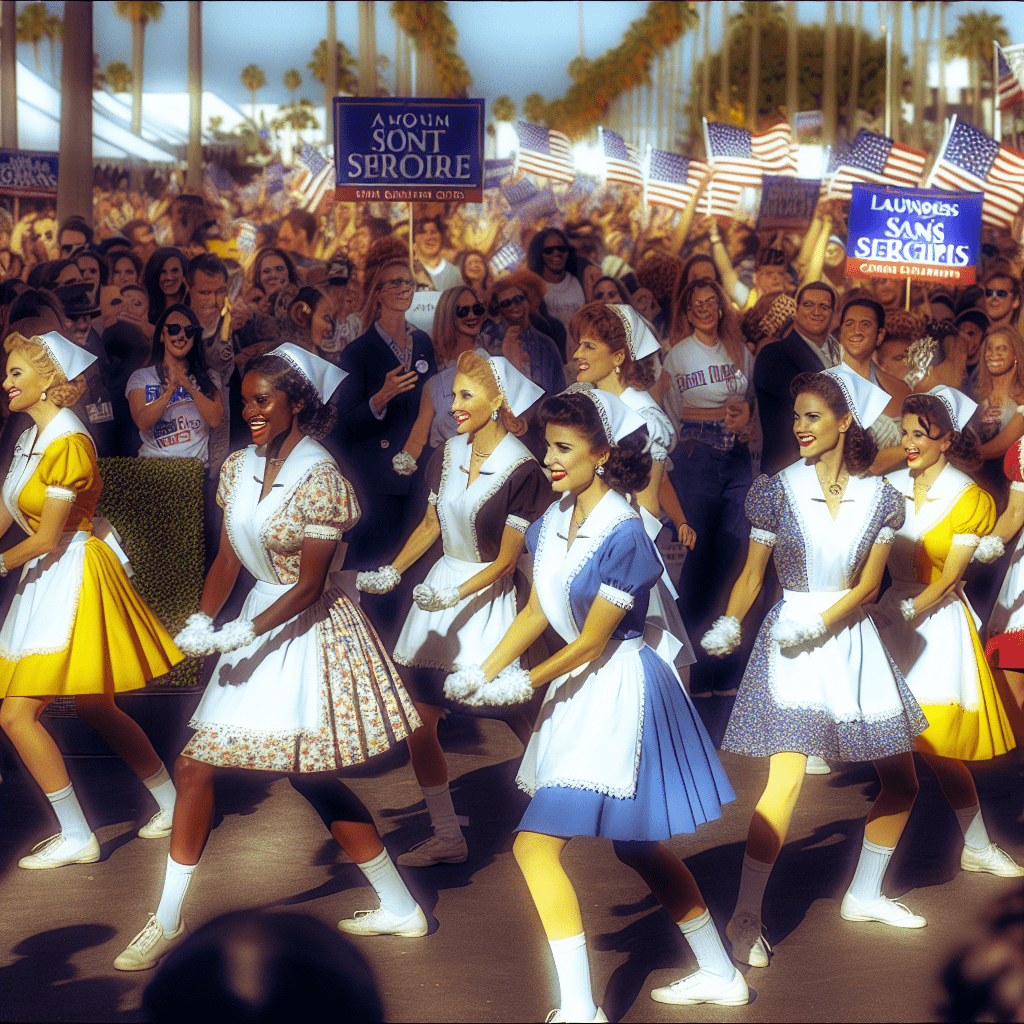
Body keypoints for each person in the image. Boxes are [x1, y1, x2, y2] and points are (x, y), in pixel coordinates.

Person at [114, 346, 425, 972]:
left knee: (303, 775)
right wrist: (205, 616)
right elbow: (230, 559)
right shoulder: (238, 467)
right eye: (246, 400)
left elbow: (310, 586)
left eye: (263, 400)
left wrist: (239, 634)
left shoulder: (321, 478)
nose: (250, 410)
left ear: (297, 405)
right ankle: (169, 916)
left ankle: (401, 906)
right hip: (256, 622)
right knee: (199, 768)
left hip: (307, 632)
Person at [445, 388, 743, 1018]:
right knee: (636, 847)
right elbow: (534, 610)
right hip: (581, 691)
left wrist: (521, 685)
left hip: (623, 694)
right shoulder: (553, 520)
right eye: (547, 445)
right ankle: (720, 972)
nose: (549, 459)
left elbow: (590, 641)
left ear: (602, 454)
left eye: (563, 448)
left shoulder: (627, 531)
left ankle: (580, 1010)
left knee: (535, 847)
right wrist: (484, 667)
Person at [706, 366, 929, 966]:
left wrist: (825, 624)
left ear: (844, 420)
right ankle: (746, 917)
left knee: (902, 779)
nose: (799, 426)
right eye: (796, 416)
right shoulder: (776, 489)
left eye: (812, 416)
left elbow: (868, 585)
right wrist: (732, 619)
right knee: (788, 780)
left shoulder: (881, 497)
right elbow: (753, 574)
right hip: (793, 647)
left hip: (849, 642)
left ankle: (865, 891)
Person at [0, 331, 182, 868]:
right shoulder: (28, 436)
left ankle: (77, 834)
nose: (4, 382)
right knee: (94, 702)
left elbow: (47, 537)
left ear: (50, 383)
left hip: (73, 571)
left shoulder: (70, 442)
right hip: (47, 574)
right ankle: (170, 801)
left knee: (16, 716)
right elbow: (8, 511)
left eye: (15, 374)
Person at [359, 352, 547, 866]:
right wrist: (393, 571)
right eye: (453, 394)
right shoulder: (446, 453)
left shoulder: (524, 469)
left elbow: (507, 562)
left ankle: (552, 812)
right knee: (419, 718)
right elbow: (429, 526)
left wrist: (454, 596)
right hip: (441, 597)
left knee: (519, 714)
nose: (454, 404)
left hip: (491, 600)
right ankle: (447, 833)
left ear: (497, 399)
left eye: (466, 395)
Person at [873, 390, 1020, 877]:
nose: (910, 442)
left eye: (921, 433)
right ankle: (970, 847)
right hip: (890, 617)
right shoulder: (886, 487)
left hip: (936, 627)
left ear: (947, 439)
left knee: (935, 747)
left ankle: (973, 847)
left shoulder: (968, 496)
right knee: (899, 749)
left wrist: (906, 610)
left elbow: (951, 578)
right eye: (907, 432)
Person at [570, 302, 696, 678]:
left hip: (619, 552)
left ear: (619, 356)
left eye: (589, 345)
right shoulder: (589, 402)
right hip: (583, 537)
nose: (577, 354)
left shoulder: (643, 417)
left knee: (650, 648)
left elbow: (647, 504)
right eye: (579, 344)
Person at [656, 277, 753, 697]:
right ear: (688, 312)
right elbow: (669, 406)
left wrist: (743, 416)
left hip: (734, 457)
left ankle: (722, 669)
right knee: (697, 563)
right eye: (698, 304)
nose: (707, 310)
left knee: (733, 556)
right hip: (696, 454)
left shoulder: (738, 351)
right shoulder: (677, 356)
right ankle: (689, 673)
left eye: (713, 302)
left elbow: (746, 403)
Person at [335, 252, 436, 646]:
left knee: (409, 566)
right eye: (393, 282)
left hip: (418, 474)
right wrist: (381, 397)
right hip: (376, 480)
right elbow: (344, 424)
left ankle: (405, 651)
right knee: (375, 568)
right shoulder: (358, 352)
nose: (403, 288)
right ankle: (369, 645)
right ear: (376, 293)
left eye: (408, 282)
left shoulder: (422, 342)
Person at [753, 281, 841, 475]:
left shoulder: (840, 355)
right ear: (796, 311)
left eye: (824, 306)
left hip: (830, 471)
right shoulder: (774, 354)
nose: (816, 312)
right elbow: (814, 405)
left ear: (834, 314)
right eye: (809, 304)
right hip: (789, 470)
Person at [127, 304, 224, 465]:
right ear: (162, 336)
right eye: (173, 329)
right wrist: (170, 389)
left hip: (192, 472)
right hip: (152, 468)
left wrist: (189, 387)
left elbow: (215, 420)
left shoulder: (209, 376)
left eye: (188, 331)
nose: (181, 336)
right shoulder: (141, 377)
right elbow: (142, 422)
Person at [835, 297, 910, 473]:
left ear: (880, 335)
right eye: (849, 324)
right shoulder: (824, 385)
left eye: (866, 324)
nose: (856, 331)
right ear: (840, 332)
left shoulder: (902, 389)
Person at [480, 274, 566, 398]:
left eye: (518, 299)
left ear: (527, 300)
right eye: (506, 303)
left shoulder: (546, 344)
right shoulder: (488, 342)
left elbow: (559, 390)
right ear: (498, 309)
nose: (514, 305)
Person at [526, 227, 586, 336]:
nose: (557, 253)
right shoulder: (532, 287)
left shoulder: (579, 282)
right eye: (549, 251)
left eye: (561, 249)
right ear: (539, 253)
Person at [412, 216, 462, 293]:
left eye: (434, 232)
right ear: (416, 238)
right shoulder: (409, 272)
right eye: (424, 232)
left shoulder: (457, 275)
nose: (429, 237)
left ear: (441, 237)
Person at [144, 248, 189, 326]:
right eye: (162, 272)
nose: (169, 277)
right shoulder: (145, 309)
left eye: (174, 271)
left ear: (184, 273)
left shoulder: (194, 308)